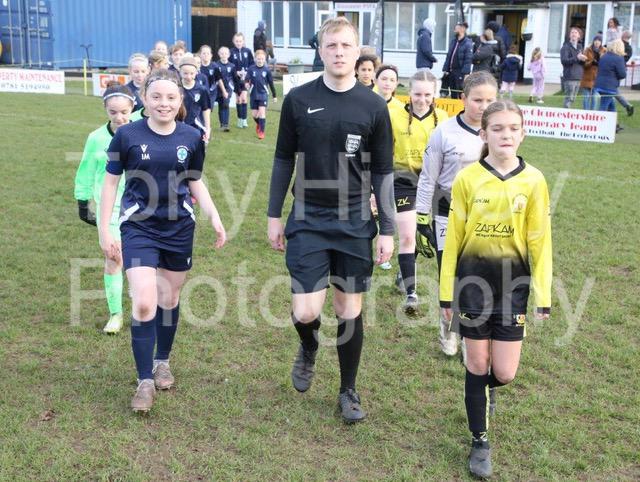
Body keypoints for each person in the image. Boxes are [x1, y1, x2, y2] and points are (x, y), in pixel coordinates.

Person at [267, 17, 394, 424]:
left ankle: (347, 390)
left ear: (358, 52)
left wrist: (388, 228)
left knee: (347, 308)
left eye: (346, 45)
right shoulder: (298, 99)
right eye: (331, 45)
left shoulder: (373, 106)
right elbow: (283, 158)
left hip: (355, 219)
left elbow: (384, 171)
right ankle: (308, 345)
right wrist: (273, 214)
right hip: (308, 216)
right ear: (320, 50)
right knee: (306, 311)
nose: (339, 52)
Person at [100, 68, 226, 413]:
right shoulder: (126, 135)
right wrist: (105, 229)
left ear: (180, 99)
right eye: (156, 96)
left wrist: (214, 215)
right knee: (144, 302)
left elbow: (195, 180)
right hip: (138, 227)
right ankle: (144, 381)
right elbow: (110, 183)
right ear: (144, 98)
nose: (163, 103)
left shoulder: (192, 137)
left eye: (171, 97)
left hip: (179, 228)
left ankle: (162, 361)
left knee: (169, 299)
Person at [440, 99, 552, 478]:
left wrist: (543, 295)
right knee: (477, 364)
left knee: (503, 373)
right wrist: (445, 293)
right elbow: (453, 240)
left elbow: (540, 242)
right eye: (498, 128)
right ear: (484, 134)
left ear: (523, 133)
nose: (506, 135)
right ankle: (480, 441)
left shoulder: (534, 180)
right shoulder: (467, 179)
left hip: (513, 289)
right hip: (471, 286)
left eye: (513, 128)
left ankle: (480, 392)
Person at [415, 71, 498, 357]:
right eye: (477, 100)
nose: (483, 107)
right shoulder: (444, 132)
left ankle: (469, 336)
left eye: (490, 100)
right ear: (463, 98)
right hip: (446, 212)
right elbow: (428, 178)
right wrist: (421, 217)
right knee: (451, 277)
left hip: (485, 216)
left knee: (477, 277)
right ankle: (448, 327)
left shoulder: (499, 131)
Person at [74, 81, 134, 334]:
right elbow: (86, 170)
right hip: (109, 209)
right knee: (113, 257)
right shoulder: (96, 138)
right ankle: (116, 314)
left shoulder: (142, 133)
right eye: (113, 112)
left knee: (139, 259)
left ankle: (142, 303)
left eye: (124, 112)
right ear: (105, 110)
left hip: (139, 208)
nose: (119, 117)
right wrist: (82, 200)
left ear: (133, 108)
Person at [388, 70, 448, 314]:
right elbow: (384, 153)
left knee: (427, 237)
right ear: (409, 93)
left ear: (434, 94)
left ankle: (404, 271)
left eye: (427, 95)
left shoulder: (443, 119)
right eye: (417, 94)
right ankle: (411, 294)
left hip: (435, 184)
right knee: (407, 236)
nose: (422, 100)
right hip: (404, 181)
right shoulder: (393, 117)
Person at [178, 56, 212, 143]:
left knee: (197, 148)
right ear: (180, 72)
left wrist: (207, 128)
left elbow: (206, 109)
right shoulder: (175, 88)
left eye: (192, 73)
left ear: (196, 72)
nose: (189, 76)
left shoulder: (201, 90)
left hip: (196, 126)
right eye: (185, 73)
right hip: (178, 125)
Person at [245, 49, 277, 140]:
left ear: (265, 59)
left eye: (262, 59)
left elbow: (271, 83)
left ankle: (261, 132)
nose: (260, 60)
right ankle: (259, 124)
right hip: (253, 94)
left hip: (263, 94)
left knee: (262, 113)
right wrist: (246, 84)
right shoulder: (251, 69)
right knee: (255, 115)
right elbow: (246, 79)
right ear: (255, 59)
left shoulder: (267, 70)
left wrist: (274, 95)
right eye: (258, 59)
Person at [595, 39, 627, 128]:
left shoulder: (604, 56)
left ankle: (615, 126)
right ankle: (597, 127)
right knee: (603, 107)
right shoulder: (619, 58)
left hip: (599, 85)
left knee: (611, 106)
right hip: (610, 87)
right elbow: (622, 74)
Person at [441, 21, 474, 99]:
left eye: (457, 28)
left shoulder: (467, 43)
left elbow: (468, 59)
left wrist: (466, 73)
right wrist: (445, 69)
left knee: (459, 92)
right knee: (452, 92)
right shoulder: (454, 41)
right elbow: (449, 56)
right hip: (451, 71)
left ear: (463, 29)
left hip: (460, 72)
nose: (455, 30)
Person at [230, 33, 255, 129]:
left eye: (240, 41)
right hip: (236, 79)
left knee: (244, 98)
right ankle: (239, 119)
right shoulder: (231, 52)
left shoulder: (247, 51)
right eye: (237, 41)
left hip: (245, 78)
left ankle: (244, 119)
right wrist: (236, 72)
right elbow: (229, 65)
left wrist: (248, 73)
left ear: (243, 41)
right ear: (234, 41)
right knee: (238, 99)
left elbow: (252, 64)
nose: (238, 43)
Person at [560, 27, 587, 108]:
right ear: (569, 35)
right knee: (569, 99)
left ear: (579, 36)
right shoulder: (565, 47)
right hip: (570, 77)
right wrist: (577, 58)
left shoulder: (579, 47)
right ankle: (565, 114)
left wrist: (583, 60)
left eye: (576, 33)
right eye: (572, 32)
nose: (574, 34)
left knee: (573, 99)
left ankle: (568, 113)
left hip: (578, 76)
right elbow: (564, 61)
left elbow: (580, 62)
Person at [213, 46, 237, 132]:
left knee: (225, 104)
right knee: (221, 105)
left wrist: (237, 88)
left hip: (228, 88)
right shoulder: (216, 65)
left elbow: (234, 78)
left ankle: (225, 124)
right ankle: (222, 124)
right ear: (219, 54)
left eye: (226, 53)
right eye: (222, 53)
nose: (224, 55)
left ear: (229, 55)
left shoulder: (232, 66)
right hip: (218, 88)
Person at [580, 35, 605, 110]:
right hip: (587, 77)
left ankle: (593, 114)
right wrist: (591, 62)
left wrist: (600, 63)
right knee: (586, 98)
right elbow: (583, 64)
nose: (597, 42)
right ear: (593, 41)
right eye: (595, 40)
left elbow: (606, 64)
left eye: (599, 41)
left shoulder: (604, 50)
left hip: (597, 77)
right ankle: (586, 113)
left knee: (595, 98)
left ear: (601, 42)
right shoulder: (587, 50)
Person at [615, 31, 634, 116]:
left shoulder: (626, 47)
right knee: (611, 91)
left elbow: (623, 59)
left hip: (617, 71)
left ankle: (627, 105)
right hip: (618, 70)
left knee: (612, 90)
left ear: (623, 35)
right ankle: (627, 106)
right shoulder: (628, 47)